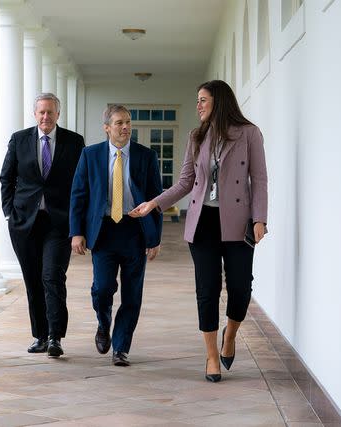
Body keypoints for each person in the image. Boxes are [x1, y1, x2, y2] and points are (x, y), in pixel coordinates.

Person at [130, 80, 268, 382]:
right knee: (207, 290)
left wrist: (260, 218)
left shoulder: (249, 134)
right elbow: (184, 182)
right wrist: (154, 203)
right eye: (197, 100)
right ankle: (210, 356)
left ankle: (229, 337)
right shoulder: (197, 137)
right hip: (202, 223)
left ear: (218, 101)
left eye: (203, 100)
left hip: (238, 223)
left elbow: (259, 179)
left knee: (241, 288)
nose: (198, 105)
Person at [70, 104, 162, 366]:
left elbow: (156, 198)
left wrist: (154, 238)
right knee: (102, 289)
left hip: (135, 231)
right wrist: (76, 232)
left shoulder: (146, 156)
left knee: (133, 294)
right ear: (107, 128)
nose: (125, 127)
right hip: (104, 231)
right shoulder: (90, 155)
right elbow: (79, 195)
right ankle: (103, 322)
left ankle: (121, 347)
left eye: (128, 122)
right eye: (119, 123)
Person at [0, 93, 84, 357]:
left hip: (59, 223)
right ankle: (40, 335)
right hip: (25, 223)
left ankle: (55, 337)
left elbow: (82, 184)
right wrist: (9, 213)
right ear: (34, 114)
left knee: (52, 276)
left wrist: (78, 223)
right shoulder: (19, 139)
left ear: (58, 114)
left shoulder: (74, 142)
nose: (46, 117)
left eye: (50, 112)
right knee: (33, 280)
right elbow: (7, 178)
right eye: (41, 113)